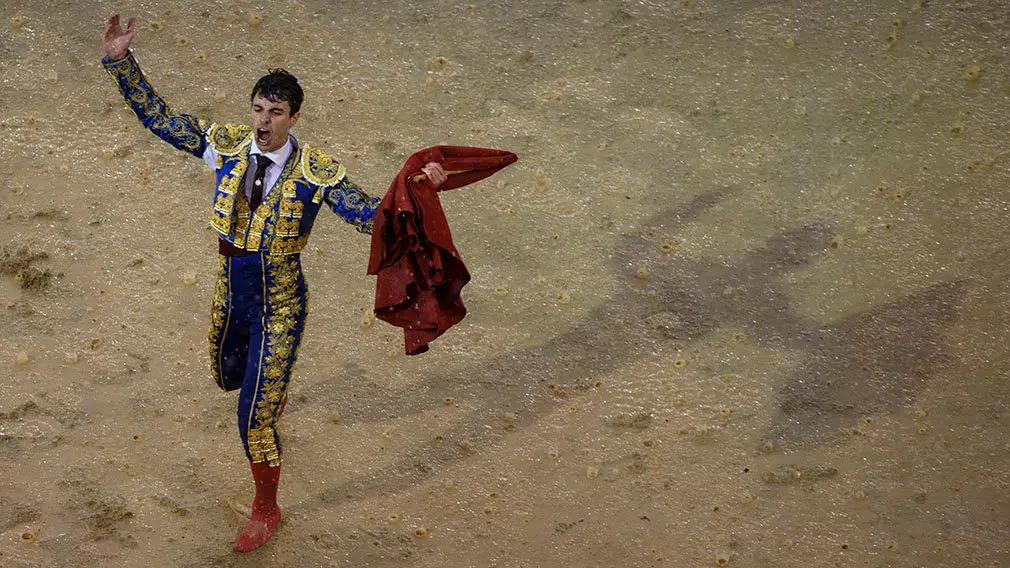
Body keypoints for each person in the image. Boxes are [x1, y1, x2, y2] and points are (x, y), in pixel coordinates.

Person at [100, 13, 448, 552]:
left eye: (276, 113)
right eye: (259, 109)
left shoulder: (316, 172)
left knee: (252, 421)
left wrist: (422, 190)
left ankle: (267, 507)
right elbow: (160, 119)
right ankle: (270, 391)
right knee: (227, 376)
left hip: (281, 304)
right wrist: (122, 61)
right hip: (231, 294)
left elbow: (373, 216)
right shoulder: (227, 145)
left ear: (294, 117)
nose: (264, 121)